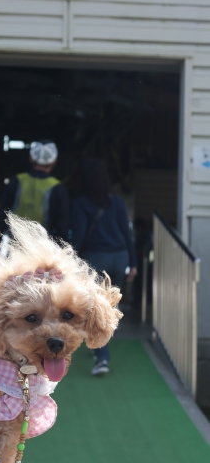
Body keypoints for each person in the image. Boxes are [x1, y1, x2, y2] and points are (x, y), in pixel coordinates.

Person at [71, 158, 137, 376]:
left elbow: (79, 238)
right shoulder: (116, 201)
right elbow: (128, 234)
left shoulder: (81, 203)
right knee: (108, 307)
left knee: (94, 310)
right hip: (120, 257)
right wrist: (134, 263)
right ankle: (100, 346)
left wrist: (70, 262)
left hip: (97, 259)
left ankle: (102, 356)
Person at [0, 139, 69, 240]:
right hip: (43, 246)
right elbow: (62, 224)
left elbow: (2, 216)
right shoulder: (58, 188)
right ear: (54, 161)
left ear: (30, 158)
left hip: (16, 242)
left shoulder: (16, 181)